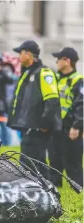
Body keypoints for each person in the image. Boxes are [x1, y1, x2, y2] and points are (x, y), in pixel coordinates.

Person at [7, 40, 61, 179]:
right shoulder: (27, 73)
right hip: (28, 125)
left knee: (36, 159)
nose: (19, 56)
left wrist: (44, 123)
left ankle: (45, 188)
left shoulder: (44, 73)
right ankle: (31, 186)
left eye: (21, 53)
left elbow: (52, 100)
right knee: (28, 158)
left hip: (39, 126)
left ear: (29, 54)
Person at [48, 47, 83, 187]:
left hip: (70, 128)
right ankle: (55, 190)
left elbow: (82, 105)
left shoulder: (78, 80)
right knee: (54, 161)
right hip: (56, 126)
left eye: (59, 59)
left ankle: (78, 191)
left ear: (67, 61)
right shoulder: (55, 78)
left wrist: (77, 126)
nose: (56, 62)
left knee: (72, 163)